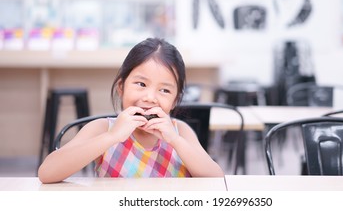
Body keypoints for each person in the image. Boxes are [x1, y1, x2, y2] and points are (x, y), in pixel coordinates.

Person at [38, 38, 224, 183]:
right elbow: (47, 173)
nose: (150, 97)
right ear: (121, 87)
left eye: (164, 90)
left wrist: (175, 140)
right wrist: (112, 137)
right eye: (141, 84)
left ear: (175, 99)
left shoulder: (180, 131)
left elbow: (216, 178)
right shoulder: (103, 129)